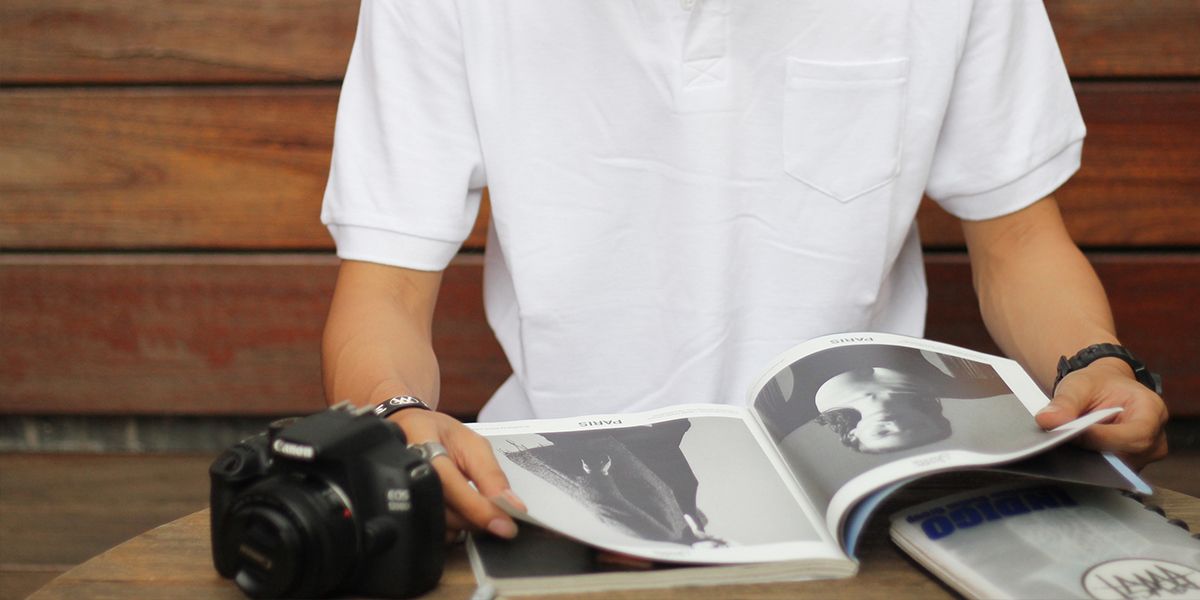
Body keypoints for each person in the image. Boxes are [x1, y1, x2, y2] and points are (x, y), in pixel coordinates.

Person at [319, 1, 1169, 542]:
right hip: (551, 503)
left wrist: (1092, 362)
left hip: (867, 506)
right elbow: (385, 290)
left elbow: (1020, 244)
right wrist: (393, 419)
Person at [814, 367, 953, 453]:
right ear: (932, 419)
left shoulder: (821, 402)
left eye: (882, 432)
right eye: (916, 426)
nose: (896, 424)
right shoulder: (935, 383)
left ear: (852, 435)